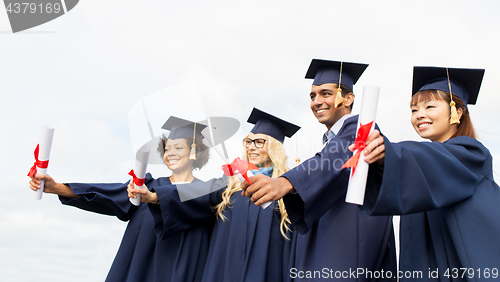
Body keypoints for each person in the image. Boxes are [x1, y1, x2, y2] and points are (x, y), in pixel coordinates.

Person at [242, 59, 396, 281]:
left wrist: (285, 183)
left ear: (348, 98)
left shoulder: (362, 129)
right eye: (313, 96)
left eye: (325, 93)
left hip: (349, 245)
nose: (316, 101)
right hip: (331, 244)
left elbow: (337, 157)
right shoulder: (331, 141)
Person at [29, 116, 214, 282]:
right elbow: (108, 194)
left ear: (194, 152)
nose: (170, 153)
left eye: (178, 147)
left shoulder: (207, 195)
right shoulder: (145, 187)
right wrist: (57, 188)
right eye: (167, 149)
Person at [361, 66, 500, 281]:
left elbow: (435, 158)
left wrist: (391, 153)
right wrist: (380, 163)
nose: (419, 115)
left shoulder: (473, 154)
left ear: (457, 112)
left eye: (429, 106)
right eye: (414, 110)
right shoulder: (421, 163)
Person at [146, 107, 300, 281]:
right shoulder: (230, 184)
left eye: (259, 142)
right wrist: (156, 196)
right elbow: (198, 192)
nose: (251, 147)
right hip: (224, 270)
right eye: (248, 142)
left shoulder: (286, 188)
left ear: (274, 148)